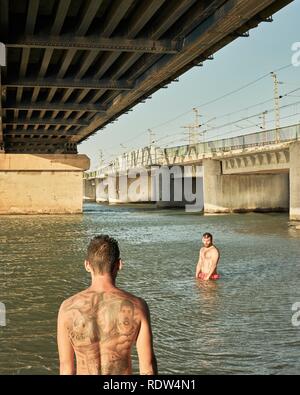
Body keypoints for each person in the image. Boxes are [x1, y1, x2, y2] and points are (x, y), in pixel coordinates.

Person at [57, 235, 157, 375]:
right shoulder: (138, 307)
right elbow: (148, 369)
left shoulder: (67, 308)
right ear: (119, 265)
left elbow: (66, 370)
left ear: (87, 265)